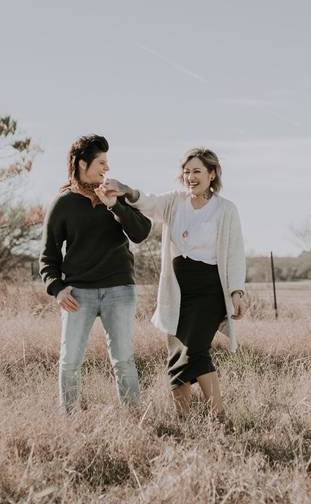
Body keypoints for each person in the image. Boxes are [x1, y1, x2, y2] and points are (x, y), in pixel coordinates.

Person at [101, 147, 246, 418]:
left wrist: (237, 291)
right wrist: (125, 190)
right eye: (187, 172)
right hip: (178, 291)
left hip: (210, 290)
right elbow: (147, 202)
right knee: (177, 357)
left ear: (212, 174)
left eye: (197, 171)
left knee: (195, 351)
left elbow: (236, 253)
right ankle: (184, 420)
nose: (190, 177)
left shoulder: (226, 210)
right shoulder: (175, 201)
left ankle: (219, 417)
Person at [39, 134, 152, 413]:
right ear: (81, 164)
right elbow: (48, 255)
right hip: (78, 295)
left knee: (123, 359)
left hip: (119, 291)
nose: (106, 168)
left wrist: (116, 205)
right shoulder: (62, 203)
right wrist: (57, 288)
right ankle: (70, 420)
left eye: (107, 162)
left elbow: (142, 233)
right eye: (101, 162)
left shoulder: (113, 195)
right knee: (70, 361)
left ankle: (134, 417)